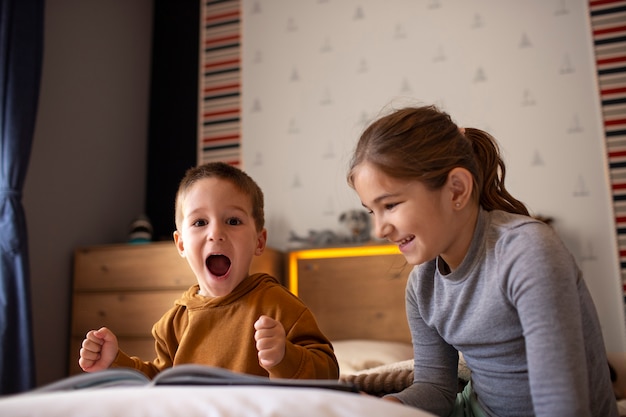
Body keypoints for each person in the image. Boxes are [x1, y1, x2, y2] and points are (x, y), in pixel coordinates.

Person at [347, 105, 618, 417]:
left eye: (390, 205)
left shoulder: (526, 252)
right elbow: (435, 388)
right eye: (371, 211)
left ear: (456, 190)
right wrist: (388, 407)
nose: (379, 229)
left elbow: (561, 404)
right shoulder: (421, 285)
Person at [79, 162, 339, 380]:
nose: (216, 233)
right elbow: (159, 383)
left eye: (233, 221)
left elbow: (329, 372)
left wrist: (285, 356)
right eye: (200, 222)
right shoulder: (172, 323)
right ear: (181, 244)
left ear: (259, 241)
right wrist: (115, 362)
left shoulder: (278, 306)